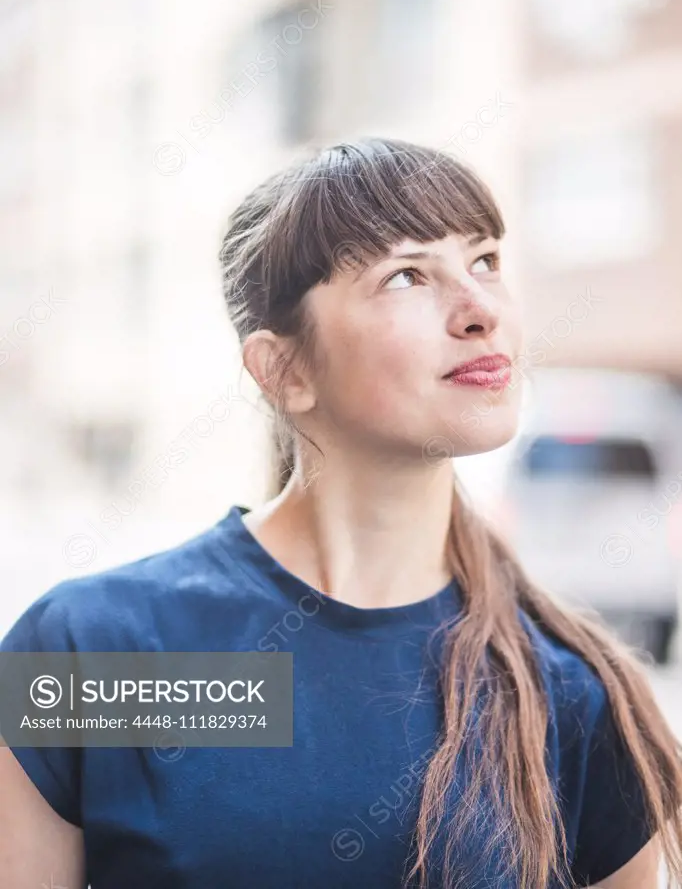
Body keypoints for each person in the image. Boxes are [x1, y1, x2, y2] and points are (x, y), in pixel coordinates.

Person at [1, 137, 681, 889]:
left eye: (485, 260)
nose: (480, 309)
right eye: (407, 275)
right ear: (285, 369)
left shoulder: (571, 692)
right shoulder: (96, 651)